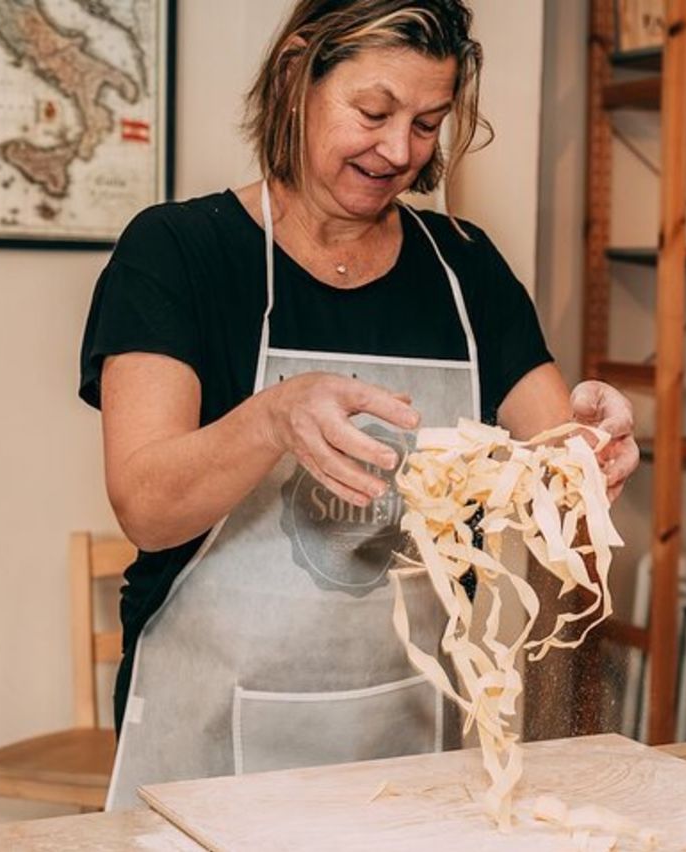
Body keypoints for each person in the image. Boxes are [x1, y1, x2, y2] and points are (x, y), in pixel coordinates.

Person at [79, 0, 638, 808]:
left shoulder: (466, 270)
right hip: (208, 740)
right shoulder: (177, 254)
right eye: (373, 112)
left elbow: (557, 460)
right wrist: (274, 415)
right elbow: (147, 506)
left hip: (410, 746)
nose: (398, 151)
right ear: (297, 73)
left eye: (426, 123)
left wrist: (594, 447)